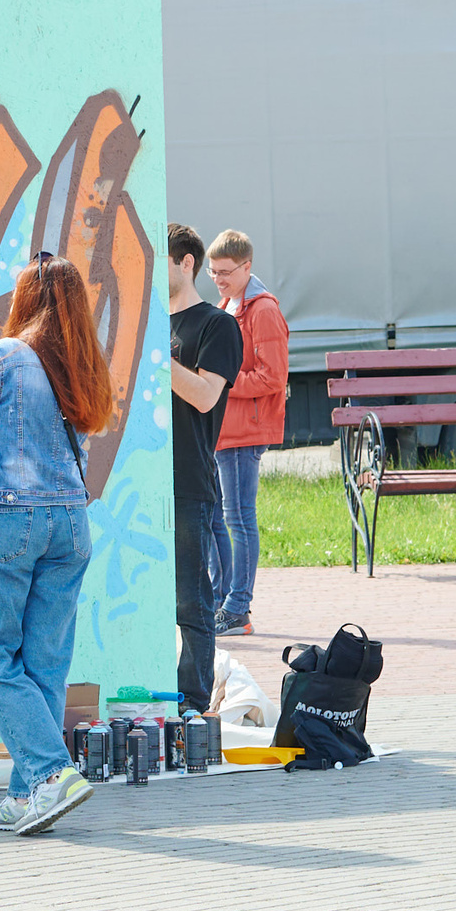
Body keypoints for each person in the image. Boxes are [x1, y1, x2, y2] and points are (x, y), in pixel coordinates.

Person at [0, 251, 113, 837]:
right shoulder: (81, 366)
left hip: (11, 518)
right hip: (70, 525)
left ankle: (50, 773)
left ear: (26, 302)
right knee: (44, 661)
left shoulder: (2, 356)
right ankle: (29, 795)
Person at [167, 224, 241, 714]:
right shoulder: (148, 322)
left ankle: (191, 705)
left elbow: (205, 394)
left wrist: (152, 353)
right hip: (137, 482)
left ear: (187, 263)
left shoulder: (217, 325)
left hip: (189, 478)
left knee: (192, 598)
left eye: (162, 263)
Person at [208, 230, 289, 637]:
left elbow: (272, 377)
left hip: (245, 431)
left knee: (238, 519)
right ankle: (223, 601)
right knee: (219, 518)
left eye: (225, 272)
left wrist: (221, 382)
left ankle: (238, 607)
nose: (218, 279)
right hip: (226, 429)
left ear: (247, 267)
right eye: (212, 272)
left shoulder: (262, 311)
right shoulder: (230, 304)